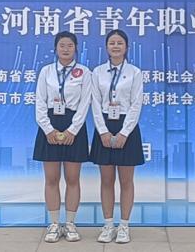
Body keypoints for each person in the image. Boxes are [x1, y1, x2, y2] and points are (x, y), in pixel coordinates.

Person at [32, 31, 94, 243]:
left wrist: (72, 130)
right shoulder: (46, 71)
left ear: (76, 48)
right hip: (49, 126)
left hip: (74, 126)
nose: (66, 49)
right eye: (62, 45)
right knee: (51, 179)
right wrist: (48, 129)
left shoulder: (84, 72)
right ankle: (53, 224)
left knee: (72, 179)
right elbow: (40, 102)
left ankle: (70, 224)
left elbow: (85, 103)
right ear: (55, 48)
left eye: (70, 45)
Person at [89, 29, 144, 244]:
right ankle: (108, 225)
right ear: (106, 47)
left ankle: (124, 226)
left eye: (120, 43)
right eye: (112, 43)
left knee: (126, 181)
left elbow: (136, 104)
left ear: (126, 47)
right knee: (106, 180)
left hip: (126, 126)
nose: (116, 46)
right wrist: (102, 131)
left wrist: (124, 132)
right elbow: (95, 103)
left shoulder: (135, 72)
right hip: (104, 124)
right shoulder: (98, 72)